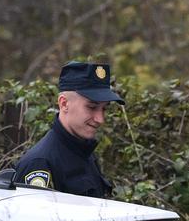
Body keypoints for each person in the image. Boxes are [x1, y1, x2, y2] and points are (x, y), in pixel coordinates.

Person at [13, 60, 122, 196]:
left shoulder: (84, 152)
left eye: (104, 109)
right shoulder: (40, 164)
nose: (100, 119)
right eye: (92, 107)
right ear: (64, 104)